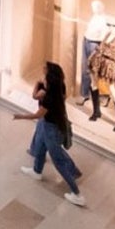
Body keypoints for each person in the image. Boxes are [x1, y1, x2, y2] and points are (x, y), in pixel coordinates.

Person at [14, 61, 86, 207]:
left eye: (45, 77)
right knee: (40, 145)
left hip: (51, 129)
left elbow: (37, 115)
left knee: (58, 161)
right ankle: (36, 171)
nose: (43, 79)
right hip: (49, 125)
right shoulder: (60, 88)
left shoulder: (49, 98)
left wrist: (20, 116)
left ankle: (77, 194)